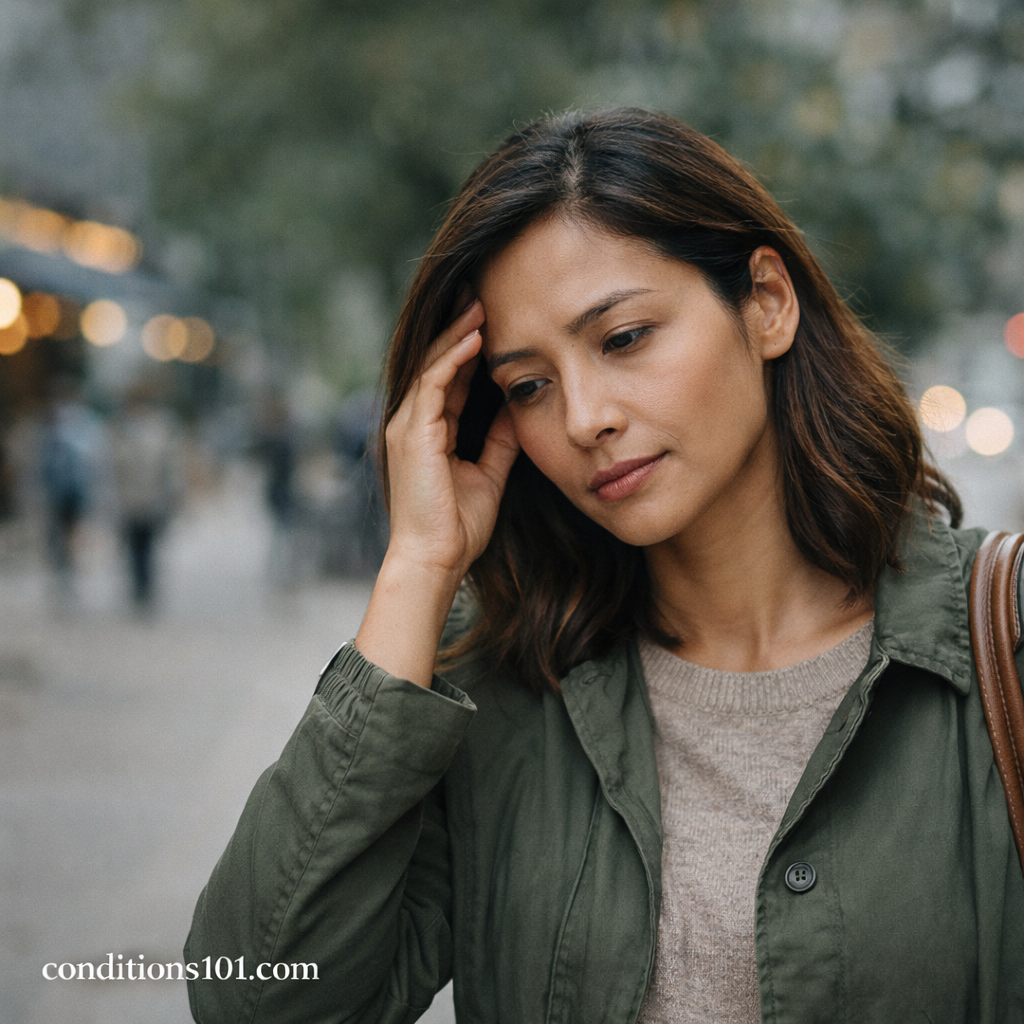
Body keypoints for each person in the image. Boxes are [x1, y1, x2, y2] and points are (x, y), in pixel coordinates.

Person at [185, 109, 1023, 1023]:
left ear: (768, 302)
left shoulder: (998, 652)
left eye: (623, 338)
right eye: (528, 386)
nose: (584, 418)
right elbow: (256, 1003)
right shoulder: (499, 684)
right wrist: (418, 568)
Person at [110, 386, 185, 610]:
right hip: (128, 500)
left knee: (149, 547)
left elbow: (169, 467)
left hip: (152, 499)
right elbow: (112, 469)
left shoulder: (160, 431)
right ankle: (138, 587)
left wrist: (172, 494)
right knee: (133, 547)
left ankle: (147, 587)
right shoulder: (118, 432)